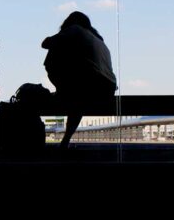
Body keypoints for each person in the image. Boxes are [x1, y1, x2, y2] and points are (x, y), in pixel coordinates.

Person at [41, 11, 117, 147]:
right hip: (107, 88)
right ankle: (66, 140)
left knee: (54, 53)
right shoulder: (98, 38)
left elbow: (46, 43)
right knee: (79, 101)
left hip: (91, 84)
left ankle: (62, 91)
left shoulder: (75, 30)